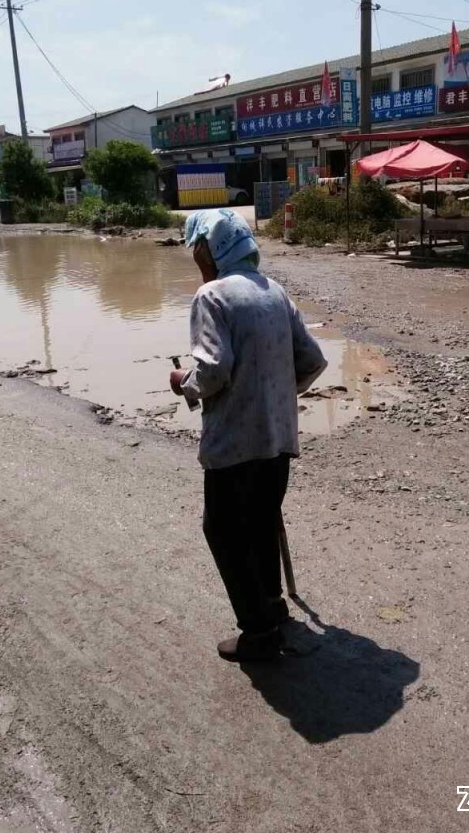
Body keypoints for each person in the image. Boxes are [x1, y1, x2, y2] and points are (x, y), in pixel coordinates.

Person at [170, 209, 327, 663]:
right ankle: (273, 607)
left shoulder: (211, 295)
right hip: (277, 438)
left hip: (235, 444)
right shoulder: (274, 291)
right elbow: (312, 361)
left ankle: (258, 631)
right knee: (260, 522)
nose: (195, 261)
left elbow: (214, 370)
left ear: (208, 250)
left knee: (222, 530)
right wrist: (274, 395)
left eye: (195, 251)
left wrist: (185, 382)